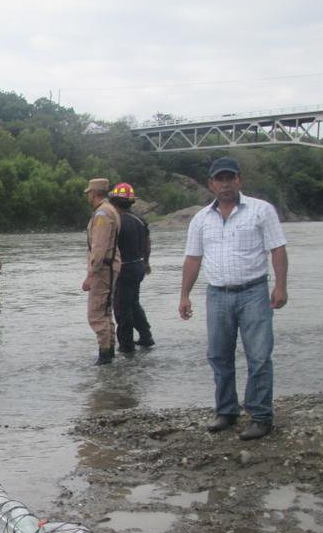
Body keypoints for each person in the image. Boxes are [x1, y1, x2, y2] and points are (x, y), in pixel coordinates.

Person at [179, 156, 288, 441]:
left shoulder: (261, 211)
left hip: (254, 292)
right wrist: (184, 295)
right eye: (219, 179)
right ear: (211, 184)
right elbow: (193, 258)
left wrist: (280, 287)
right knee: (218, 355)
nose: (225, 184)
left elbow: (277, 249)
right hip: (217, 294)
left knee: (259, 356)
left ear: (239, 180)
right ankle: (226, 411)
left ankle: (261, 416)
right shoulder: (201, 219)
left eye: (230, 178)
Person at [108, 183, 155, 353]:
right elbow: (147, 244)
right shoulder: (140, 221)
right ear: (131, 202)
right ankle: (146, 336)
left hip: (123, 270)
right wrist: (147, 263)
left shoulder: (114, 221)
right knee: (133, 304)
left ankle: (126, 347)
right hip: (138, 267)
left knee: (122, 308)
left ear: (113, 200)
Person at [82, 177, 121, 365]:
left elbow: (99, 247)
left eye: (89, 192)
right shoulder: (109, 210)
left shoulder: (102, 214)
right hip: (108, 266)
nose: (87, 196)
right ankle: (109, 352)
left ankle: (104, 356)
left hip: (103, 269)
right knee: (105, 312)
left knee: (96, 314)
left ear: (95, 193)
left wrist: (91, 275)